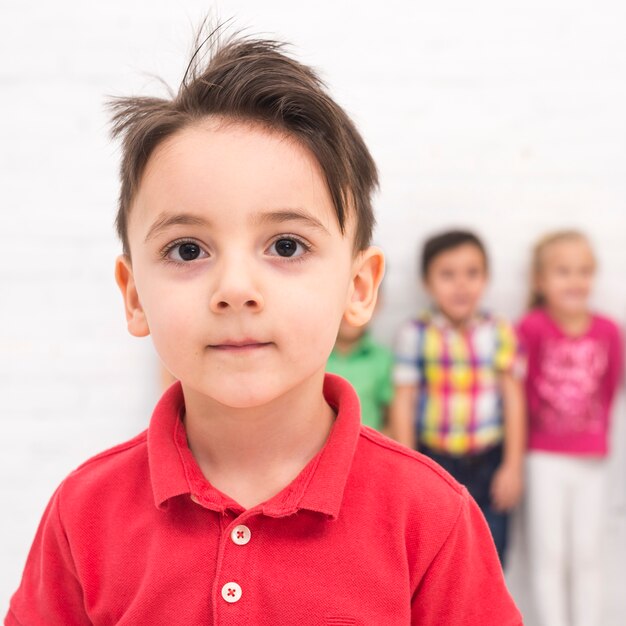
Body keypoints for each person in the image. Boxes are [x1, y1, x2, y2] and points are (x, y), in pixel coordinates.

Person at [6, 29, 521, 625]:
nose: (235, 289)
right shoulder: (82, 513)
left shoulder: (432, 516)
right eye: (188, 250)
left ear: (359, 290)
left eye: (285, 244)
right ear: (134, 296)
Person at [390, 230, 526, 566]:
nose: (461, 285)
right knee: (440, 557)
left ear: (486, 277)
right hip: (436, 460)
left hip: (489, 460)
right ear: (427, 282)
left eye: (472, 273)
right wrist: (409, 468)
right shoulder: (415, 333)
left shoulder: (499, 329)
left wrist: (512, 465)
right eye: (447, 275)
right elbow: (404, 402)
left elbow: (513, 398)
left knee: (490, 557)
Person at [518, 230, 623, 626]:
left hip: (591, 459)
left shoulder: (609, 332)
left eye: (583, 271)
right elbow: (521, 393)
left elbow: (610, 389)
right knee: (550, 555)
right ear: (540, 281)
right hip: (544, 456)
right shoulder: (530, 329)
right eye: (563, 272)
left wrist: (591, 434)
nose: (575, 281)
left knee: (588, 554)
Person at [326, 312, 394, 432]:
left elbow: (390, 417)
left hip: (367, 445)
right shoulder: (314, 357)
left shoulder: (382, 359)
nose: (348, 315)